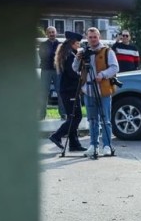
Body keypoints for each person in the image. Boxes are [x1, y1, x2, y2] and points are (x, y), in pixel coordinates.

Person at [73, 27, 119, 157]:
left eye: (95, 37)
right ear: (87, 38)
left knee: (106, 119)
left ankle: (107, 145)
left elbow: (115, 67)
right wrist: (77, 58)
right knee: (92, 119)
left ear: (99, 37)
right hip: (88, 90)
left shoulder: (107, 51)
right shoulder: (83, 52)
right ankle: (93, 145)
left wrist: (103, 74)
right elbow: (75, 68)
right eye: (90, 37)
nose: (93, 39)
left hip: (103, 89)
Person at [48, 31, 86, 152]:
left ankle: (74, 144)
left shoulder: (67, 53)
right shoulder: (69, 56)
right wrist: (83, 76)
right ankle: (57, 135)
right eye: (77, 43)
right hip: (70, 90)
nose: (79, 46)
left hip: (68, 90)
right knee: (76, 117)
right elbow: (72, 73)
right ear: (72, 43)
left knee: (72, 116)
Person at [38, 26, 60, 119]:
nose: (51, 34)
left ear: (56, 33)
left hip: (57, 70)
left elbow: (61, 57)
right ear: (47, 34)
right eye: (50, 32)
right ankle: (42, 115)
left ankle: (63, 114)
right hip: (46, 70)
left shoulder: (60, 44)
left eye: (53, 32)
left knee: (60, 92)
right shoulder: (43, 45)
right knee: (44, 93)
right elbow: (43, 56)